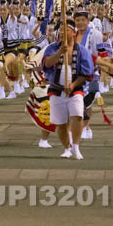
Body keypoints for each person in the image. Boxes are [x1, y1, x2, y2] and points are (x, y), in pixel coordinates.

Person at [41, 19, 94, 159]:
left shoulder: (81, 50)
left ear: (73, 33)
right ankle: (67, 148)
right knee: (61, 123)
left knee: (77, 116)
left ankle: (76, 146)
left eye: (67, 30)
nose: (63, 33)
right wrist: (59, 52)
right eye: (61, 30)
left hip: (75, 89)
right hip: (56, 89)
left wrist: (73, 85)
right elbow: (46, 64)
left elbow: (87, 73)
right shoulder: (52, 48)